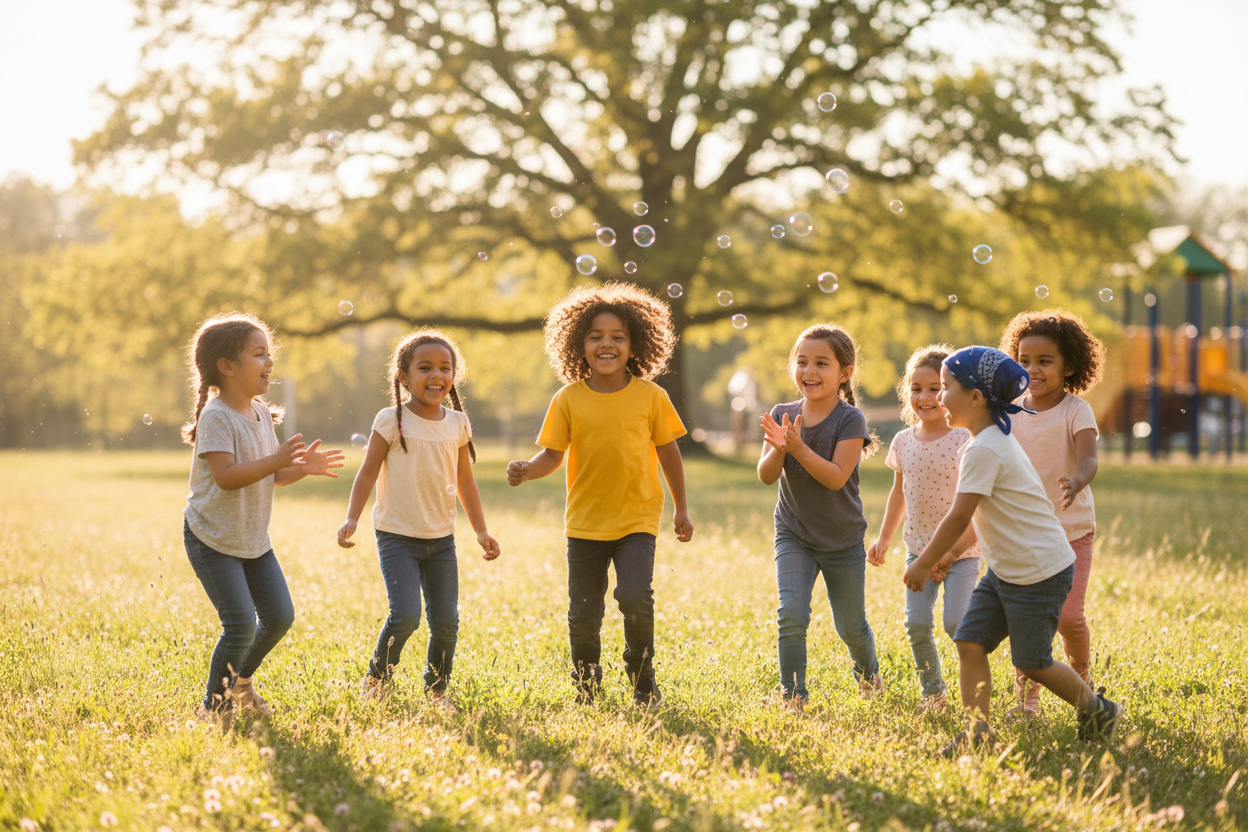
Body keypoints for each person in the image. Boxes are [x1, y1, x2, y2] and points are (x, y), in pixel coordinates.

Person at [903, 346, 1121, 754]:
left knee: (1033, 661)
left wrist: (924, 562)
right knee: (970, 641)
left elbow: (957, 517)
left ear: (975, 398)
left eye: (945, 387)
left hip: (1039, 573)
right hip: (1007, 571)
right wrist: (952, 554)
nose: (938, 396)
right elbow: (979, 518)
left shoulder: (986, 448)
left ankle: (1098, 709)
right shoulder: (985, 442)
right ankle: (977, 733)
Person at [507, 282, 692, 708]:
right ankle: (587, 686)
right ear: (579, 345)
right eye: (595, 337)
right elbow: (552, 455)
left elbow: (669, 454)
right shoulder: (568, 399)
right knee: (584, 613)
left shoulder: (652, 397)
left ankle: (642, 679)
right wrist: (528, 470)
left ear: (635, 345)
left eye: (617, 337)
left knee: (635, 598)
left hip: (637, 520)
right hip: (585, 523)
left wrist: (681, 508)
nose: (606, 344)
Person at [181, 312, 344, 717]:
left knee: (279, 617)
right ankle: (214, 708)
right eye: (258, 354)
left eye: (269, 353)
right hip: (213, 538)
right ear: (227, 366)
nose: (269, 361)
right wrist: (275, 460)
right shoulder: (216, 416)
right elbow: (227, 477)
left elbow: (271, 477)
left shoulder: (260, 414)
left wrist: (302, 468)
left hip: (253, 540)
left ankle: (241, 684)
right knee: (240, 624)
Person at [338, 330, 499, 708]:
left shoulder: (457, 423)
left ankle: (437, 690)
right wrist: (352, 518)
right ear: (404, 377)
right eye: (425, 368)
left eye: (445, 368)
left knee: (446, 622)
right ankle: (377, 679)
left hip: (441, 539)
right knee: (406, 615)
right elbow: (367, 471)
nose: (436, 375)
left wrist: (481, 530)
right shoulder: (391, 419)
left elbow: (465, 481)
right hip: (397, 536)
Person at [758, 324, 880, 710]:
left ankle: (869, 678)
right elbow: (766, 475)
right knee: (791, 615)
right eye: (802, 362)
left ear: (844, 373)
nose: (809, 371)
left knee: (851, 627)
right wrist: (780, 448)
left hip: (843, 539)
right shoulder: (782, 414)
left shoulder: (850, 420)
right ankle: (793, 696)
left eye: (821, 363)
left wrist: (798, 449)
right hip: (793, 533)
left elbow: (836, 477)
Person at [1000, 310, 1104, 719]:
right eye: (1024, 360)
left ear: (1069, 366)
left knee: (1068, 616)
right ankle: (1027, 702)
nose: (1032, 369)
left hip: (1070, 530)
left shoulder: (1076, 410)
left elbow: (1089, 458)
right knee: (1027, 621)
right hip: (1023, 534)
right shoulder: (1009, 411)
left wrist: (1076, 481)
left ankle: (1081, 675)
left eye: (1045, 361)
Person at [867, 344, 980, 712]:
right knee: (916, 624)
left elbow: (978, 504)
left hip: (962, 552)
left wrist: (952, 553)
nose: (925, 397)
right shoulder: (903, 441)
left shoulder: (966, 438)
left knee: (957, 624)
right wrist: (884, 538)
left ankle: (975, 689)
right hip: (918, 550)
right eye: (916, 389)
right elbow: (899, 493)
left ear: (953, 391)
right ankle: (933, 693)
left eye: (936, 388)